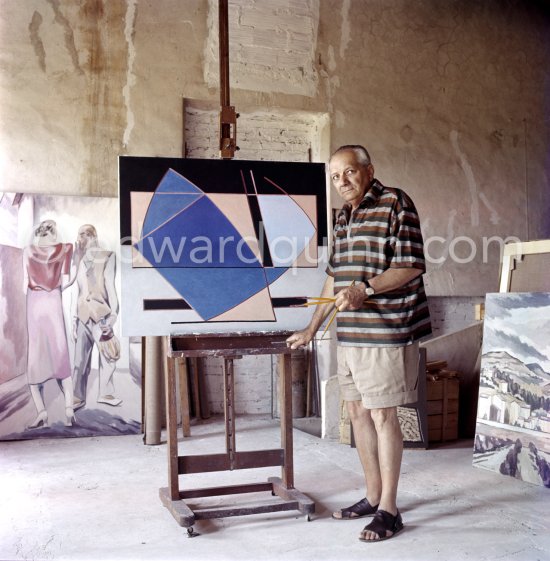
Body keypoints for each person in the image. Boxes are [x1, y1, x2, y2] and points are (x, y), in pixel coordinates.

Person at [287, 145, 431, 542]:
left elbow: (411, 265)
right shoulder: (343, 217)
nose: (342, 182)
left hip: (387, 331)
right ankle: (372, 496)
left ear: (369, 170)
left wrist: (365, 289)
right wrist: (313, 327)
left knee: (384, 416)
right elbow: (335, 278)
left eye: (348, 172)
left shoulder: (395, 202)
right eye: (335, 177)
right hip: (349, 333)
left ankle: (390, 509)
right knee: (357, 413)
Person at [23, 219, 76, 428]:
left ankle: (42, 413)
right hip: (53, 301)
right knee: (61, 354)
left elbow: (22, 285)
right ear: (54, 233)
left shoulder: (27, 251)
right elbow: (66, 280)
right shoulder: (65, 249)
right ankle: (69, 410)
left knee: (36, 356)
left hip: (34, 304)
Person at [72, 224, 122, 410]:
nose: (79, 240)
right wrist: (73, 319)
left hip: (101, 315)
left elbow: (111, 288)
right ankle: (78, 397)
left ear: (92, 236)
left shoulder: (108, 256)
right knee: (79, 360)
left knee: (108, 356)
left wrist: (113, 317)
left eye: (82, 236)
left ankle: (106, 393)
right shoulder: (80, 259)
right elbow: (78, 292)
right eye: (79, 236)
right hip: (83, 315)